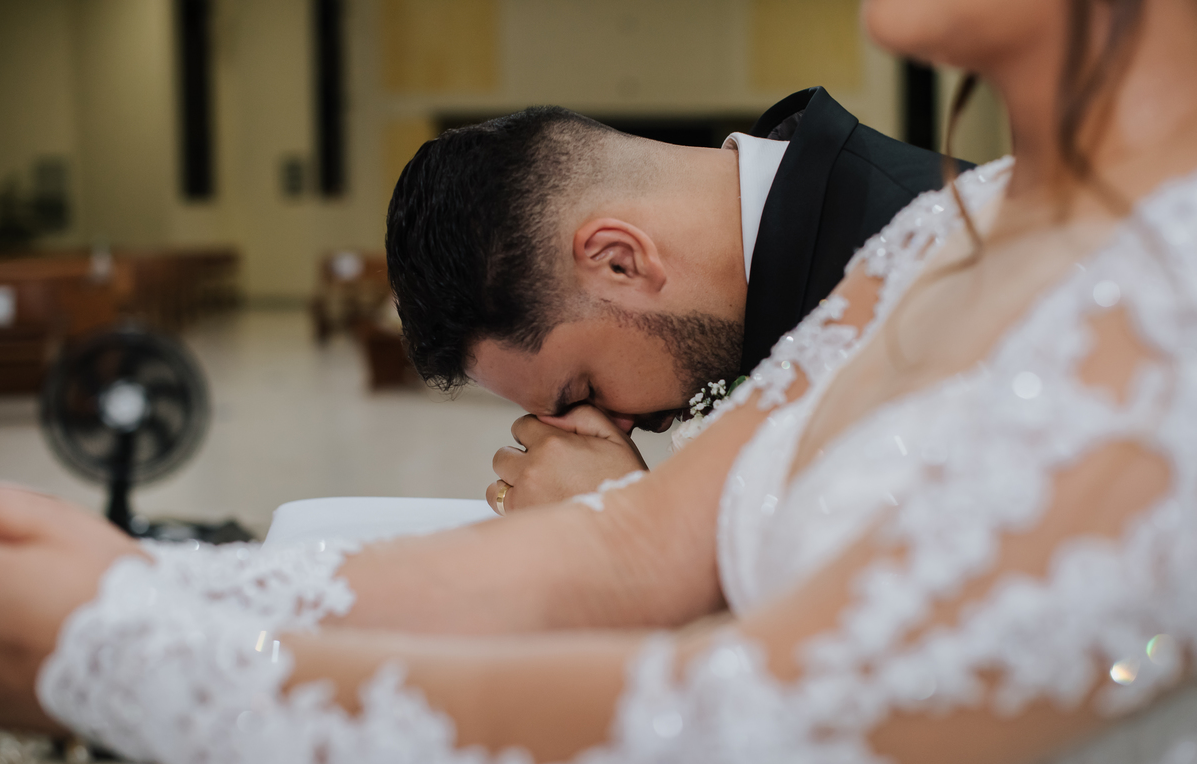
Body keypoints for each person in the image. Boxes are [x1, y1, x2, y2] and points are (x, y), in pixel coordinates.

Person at [0, 0, 1197, 764]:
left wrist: (129, 656)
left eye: (575, 389)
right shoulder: (942, 231)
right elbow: (627, 550)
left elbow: (779, 728)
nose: (597, 427)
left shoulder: (1173, 293)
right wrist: (141, 576)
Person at [386, 87, 965, 514]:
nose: (608, 430)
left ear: (620, 261)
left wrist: (632, 533)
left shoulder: (947, 254)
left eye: (585, 392)